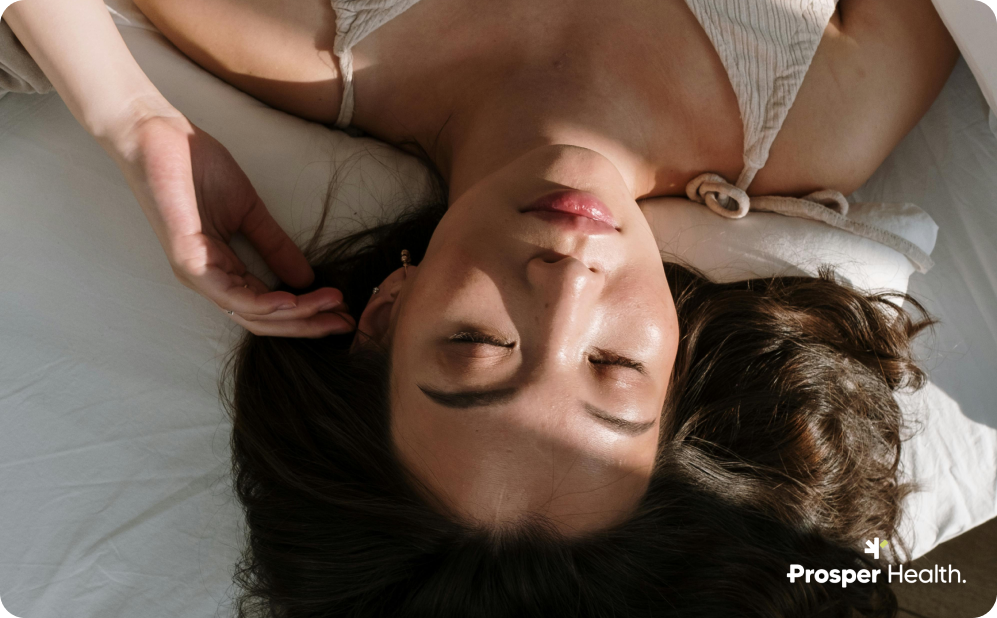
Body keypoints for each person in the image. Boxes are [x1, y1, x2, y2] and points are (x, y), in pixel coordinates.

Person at [2, 0, 956, 615]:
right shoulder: (828, 114)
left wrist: (130, 116)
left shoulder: (288, 32)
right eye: (614, 370)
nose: (568, 281)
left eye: (478, 343)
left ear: (385, 313)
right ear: (680, 361)